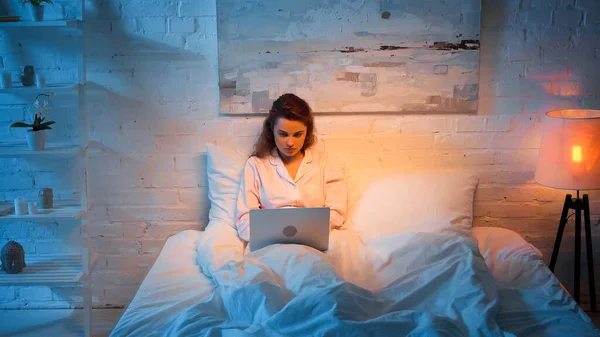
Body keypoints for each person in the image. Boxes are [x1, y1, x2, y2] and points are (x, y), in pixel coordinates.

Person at [234, 93, 347, 243]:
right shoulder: (256, 165)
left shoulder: (324, 162)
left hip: (314, 242)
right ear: (272, 130)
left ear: (307, 132)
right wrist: (274, 236)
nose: (290, 143)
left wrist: (307, 232)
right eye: (283, 134)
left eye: (298, 134)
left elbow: (337, 211)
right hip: (270, 244)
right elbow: (244, 218)